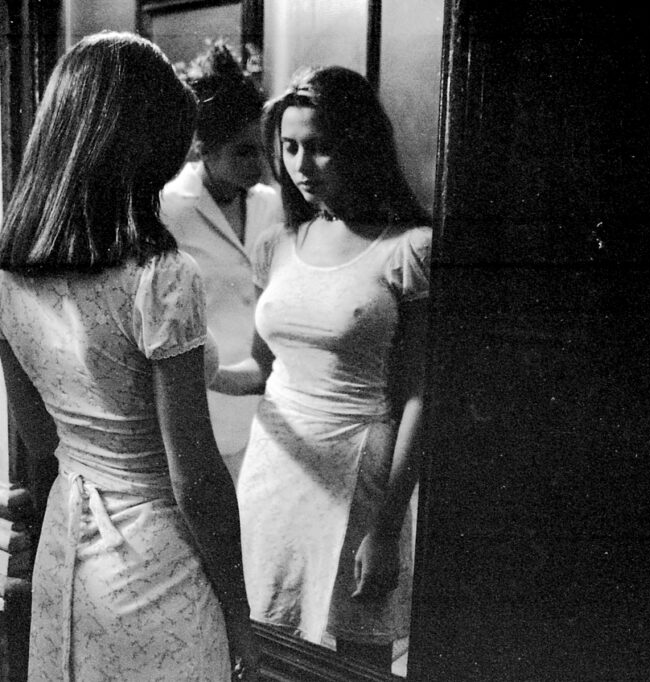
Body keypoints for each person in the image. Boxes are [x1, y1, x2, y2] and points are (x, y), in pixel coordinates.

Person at [0, 31, 259, 682]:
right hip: (156, 564)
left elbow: (40, 439)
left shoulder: (3, 277)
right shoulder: (161, 277)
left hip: (69, 549)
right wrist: (239, 614)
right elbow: (195, 479)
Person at [212, 65, 431, 669]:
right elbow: (262, 370)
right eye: (288, 147)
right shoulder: (277, 245)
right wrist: (201, 369)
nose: (301, 165)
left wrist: (387, 527)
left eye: (320, 146)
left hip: (358, 468)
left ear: (360, 145)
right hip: (274, 468)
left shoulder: (409, 247)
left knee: (359, 652)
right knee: (263, 638)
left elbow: (420, 395)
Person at [160, 41, 282, 482]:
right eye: (243, 152)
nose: (260, 164)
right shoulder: (169, 209)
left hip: (267, 403)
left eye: (263, 150)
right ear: (204, 149)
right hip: (203, 406)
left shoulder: (272, 205)